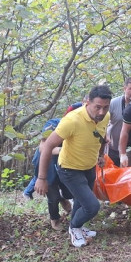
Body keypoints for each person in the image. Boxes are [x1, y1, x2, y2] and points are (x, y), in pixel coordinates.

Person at [35, 85, 112, 247]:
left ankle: (78, 226)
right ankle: (74, 227)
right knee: (92, 206)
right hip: (70, 169)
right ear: (87, 103)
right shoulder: (72, 120)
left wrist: (100, 155)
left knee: (80, 201)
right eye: (97, 107)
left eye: (105, 107)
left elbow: (101, 136)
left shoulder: (105, 117)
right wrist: (42, 178)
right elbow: (47, 146)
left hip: (89, 167)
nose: (101, 112)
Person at [23, 102, 83, 200]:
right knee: (41, 178)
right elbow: (44, 148)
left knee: (58, 183)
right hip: (45, 160)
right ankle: (27, 192)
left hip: (61, 162)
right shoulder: (53, 124)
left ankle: (65, 199)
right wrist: (66, 150)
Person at [106, 77, 131, 166]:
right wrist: (105, 135)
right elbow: (102, 121)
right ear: (124, 89)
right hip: (114, 148)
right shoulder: (113, 103)